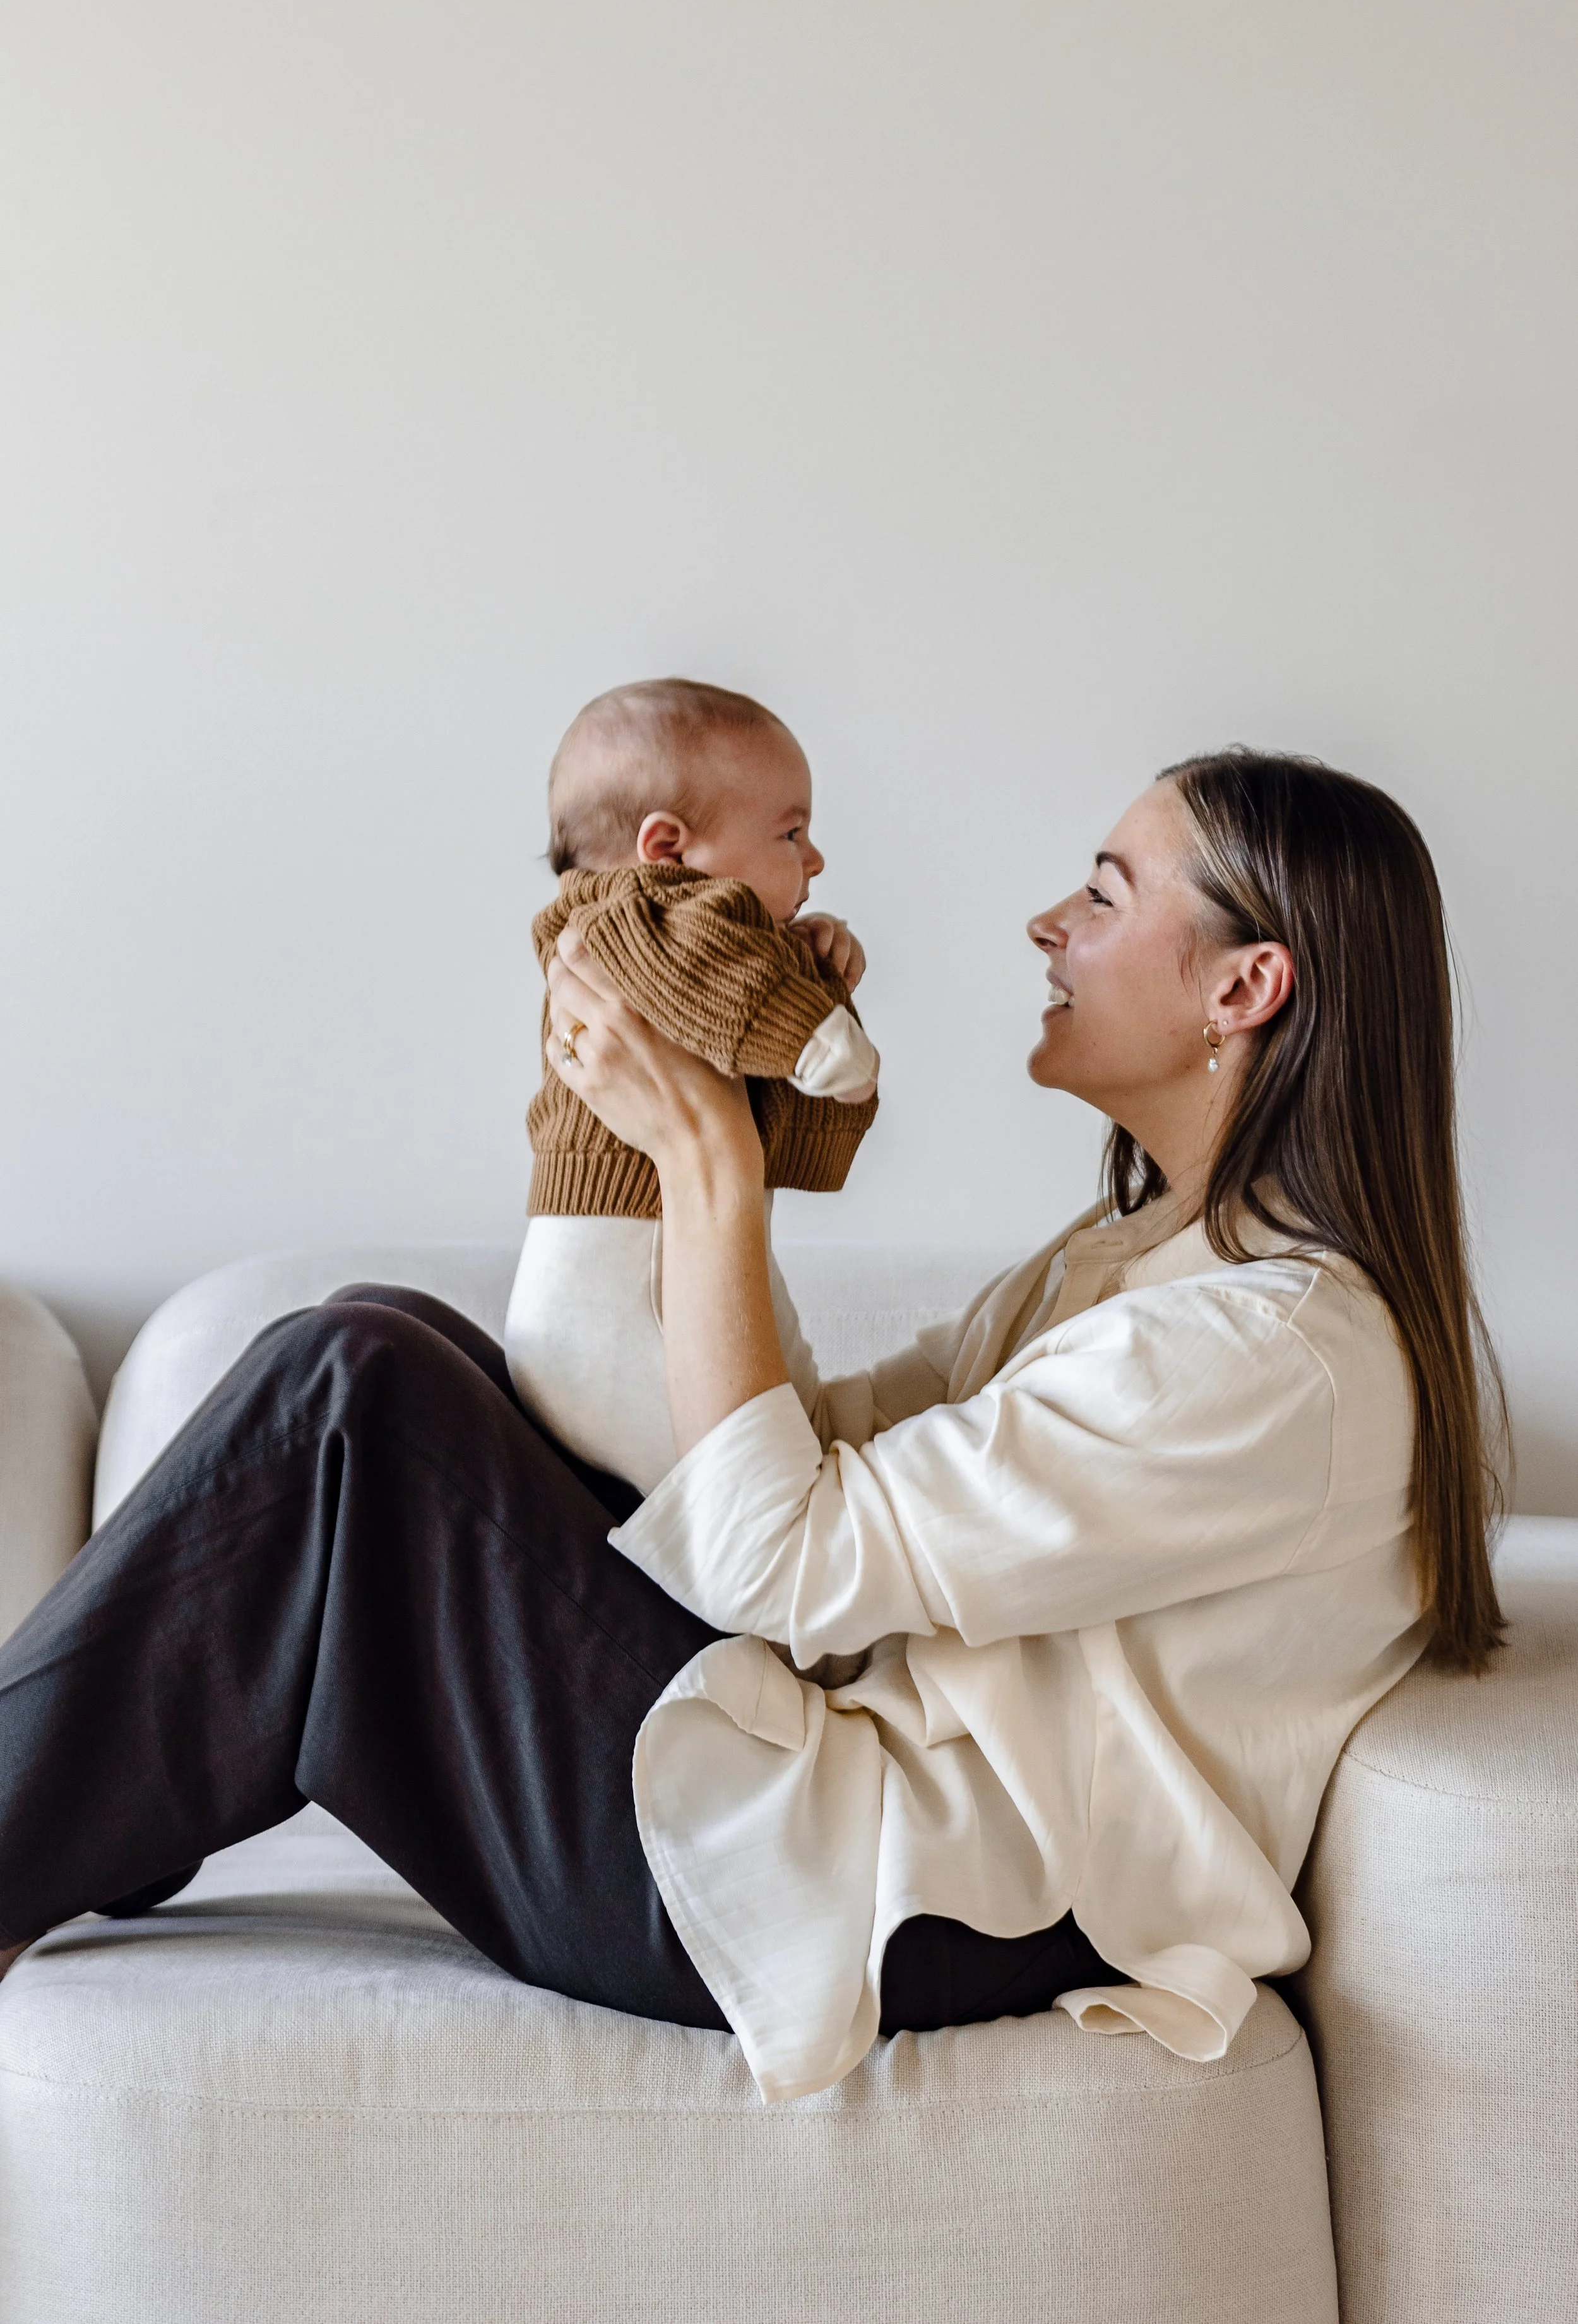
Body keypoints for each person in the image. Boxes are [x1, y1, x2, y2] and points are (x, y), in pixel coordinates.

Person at [0, 747, 1505, 2109]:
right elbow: (794, 1445)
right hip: (851, 1816)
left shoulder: (1261, 1354)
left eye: (1104, 898)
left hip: (895, 1908)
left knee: (351, 1389)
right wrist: (695, 1133)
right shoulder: (1125, 1267)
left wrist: (709, 1160)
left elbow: (781, 1560)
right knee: (406, 1347)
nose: (1048, 924)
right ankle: (115, 1785)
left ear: (1242, 990)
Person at [506, 677, 878, 1494]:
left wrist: (816, 978)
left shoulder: (675, 937)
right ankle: (743, 1621)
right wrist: (820, 1034)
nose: (814, 859)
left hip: (661, 1271)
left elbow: (805, 1130)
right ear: (666, 849)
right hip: (620, 1299)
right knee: (735, 1505)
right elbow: (731, 975)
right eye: (790, 831)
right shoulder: (628, 914)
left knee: (786, 1441)